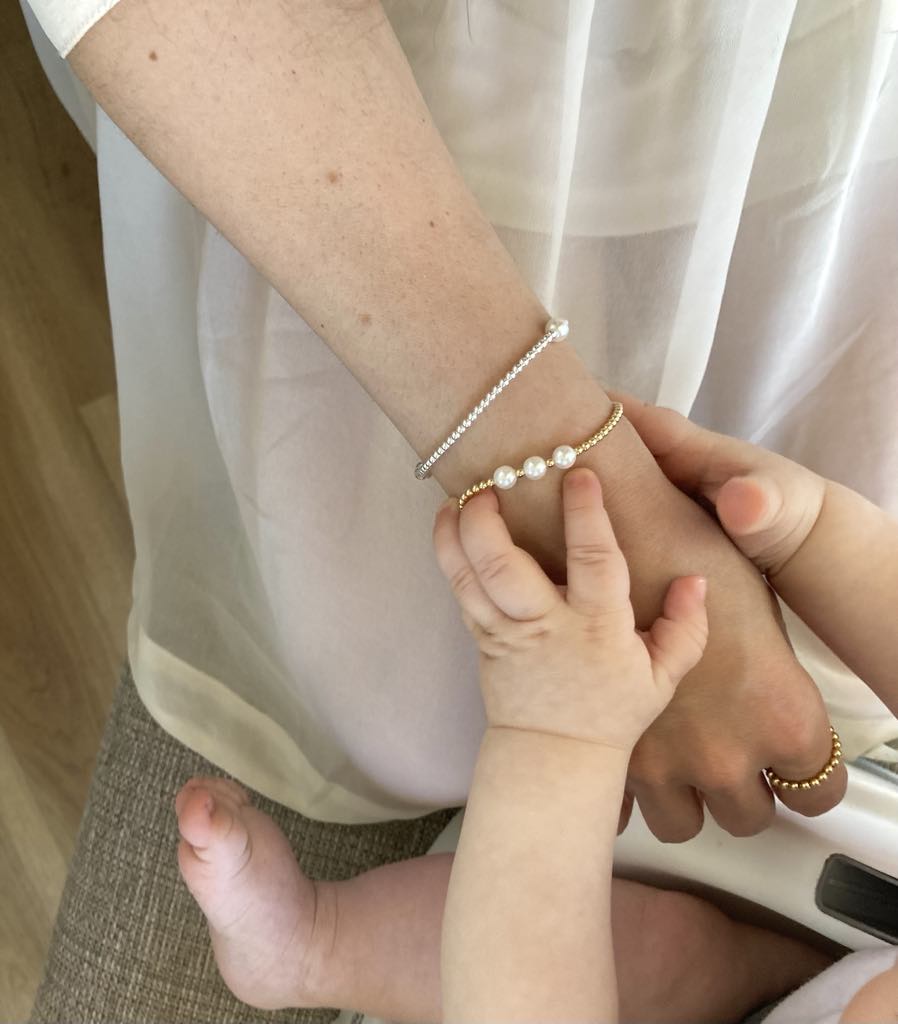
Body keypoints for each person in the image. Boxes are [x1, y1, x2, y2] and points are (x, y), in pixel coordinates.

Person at [174, 396, 898, 1023]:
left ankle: (314, 946)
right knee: (684, 951)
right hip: (816, 972)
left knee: (633, 956)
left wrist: (558, 733)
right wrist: (814, 533)